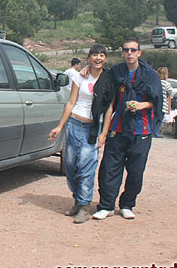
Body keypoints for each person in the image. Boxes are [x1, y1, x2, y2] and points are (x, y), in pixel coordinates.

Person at [92, 37, 162, 221]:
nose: (129, 53)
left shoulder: (150, 75)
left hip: (141, 130)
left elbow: (157, 101)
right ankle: (106, 205)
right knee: (109, 168)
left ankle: (127, 204)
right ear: (122, 53)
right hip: (119, 128)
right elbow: (102, 78)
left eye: (133, 50)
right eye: (126, 50)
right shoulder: (117, 72)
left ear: (139, 53)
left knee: (136, 171)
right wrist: (85, 68)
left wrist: (141, 105)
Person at [49, 45, 110, 224]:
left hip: (92, 128)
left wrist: (104, 133)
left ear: (105, 58)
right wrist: (60, 126)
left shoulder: (108, 79)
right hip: (74, 124)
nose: (98, 58)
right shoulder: (79, 76)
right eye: (94, 55)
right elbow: (71, 102)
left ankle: (84, 206)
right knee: (70, 165)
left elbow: (109, 109)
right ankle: (77, 200)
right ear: (89, 57)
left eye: (101, 55)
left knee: (86, 167)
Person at [153, 67, 173, 138]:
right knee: (159, 119)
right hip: (163, 104)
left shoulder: (155, 82)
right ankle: (156, 133)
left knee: (153, 118)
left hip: (154, 103)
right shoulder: (167, 84)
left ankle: (151, 132)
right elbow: (170, 92)